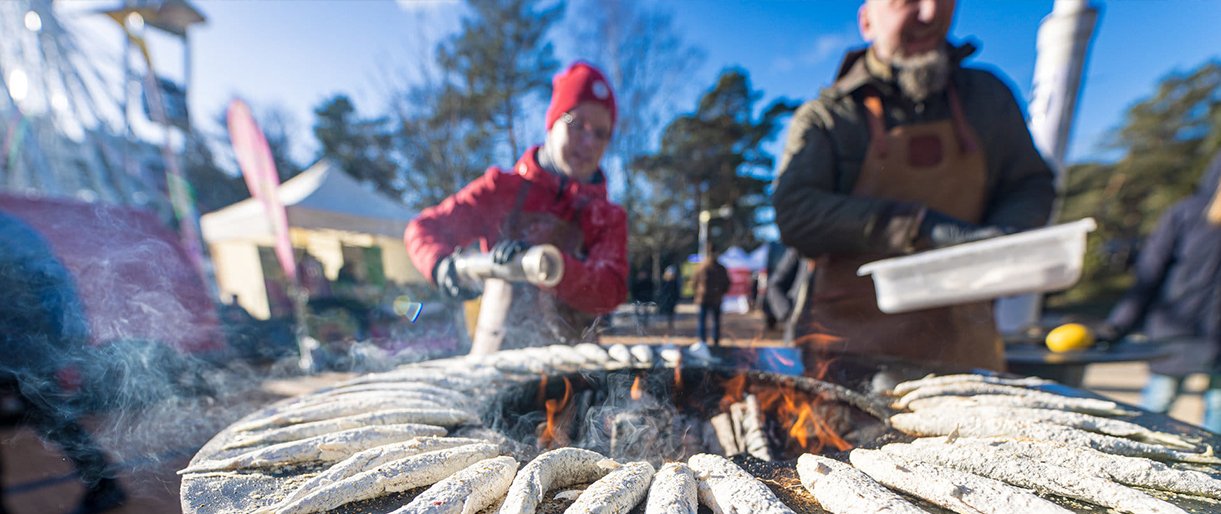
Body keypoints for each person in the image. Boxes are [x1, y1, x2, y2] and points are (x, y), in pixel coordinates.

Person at [772, 0, 1055, 371]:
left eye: (943, 1)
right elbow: (796, 213)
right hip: (850, 350)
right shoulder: (830, 116)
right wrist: (917, 227)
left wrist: (1002, 237)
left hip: (965, 346)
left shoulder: (987, 97)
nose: (929, 14)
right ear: (867, 21)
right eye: (906, 2)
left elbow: (1030, 183)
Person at [405, 61, 628, 349]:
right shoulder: (501, 189)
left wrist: (553, 265)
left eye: (601, 133)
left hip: (573, 371)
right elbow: (424, 228)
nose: (588, 142)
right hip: (496, 360)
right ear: (552, 123)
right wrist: (439, 265)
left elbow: (610, 291)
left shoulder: (606, 216)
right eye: (577, 124)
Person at [0, 211, 126, 514]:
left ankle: (105, 486)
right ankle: (104, 486)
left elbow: (50, 279)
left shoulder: (9, 231)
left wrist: (67, 342)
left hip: (27, 351)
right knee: (55, 420)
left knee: (55, 420)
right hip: (16, 350)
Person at [1094, 152, 1221, 432]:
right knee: (1155, 416)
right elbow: (1150, 274)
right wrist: (1116, 326)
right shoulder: (1186, 214)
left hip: (1200, 337)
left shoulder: (1184, 212)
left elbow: (1149, 274)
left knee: (1212, 418)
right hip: (1174, 335)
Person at [691, 246, 731, 346]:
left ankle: (706, 340)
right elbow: (694, 282)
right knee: (710, 321)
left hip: (709, 298)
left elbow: (694, 282)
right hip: (710, 298)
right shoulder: (707, 267)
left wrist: (698, 293)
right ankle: (709, 340)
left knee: (707, 321)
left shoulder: (703, 267)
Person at [656, 265, 682, 332]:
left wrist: (676, 297)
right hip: (665, 299)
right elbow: (662, 290)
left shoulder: (674, 281)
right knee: (663, 311)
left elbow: (676, 291)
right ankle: (662, 324)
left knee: (670, 313)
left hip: (672, 299)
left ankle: (669, 324)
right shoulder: (664, 281)